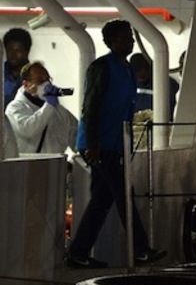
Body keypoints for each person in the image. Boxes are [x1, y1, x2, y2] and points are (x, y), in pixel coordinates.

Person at [65, 20, 166, 268]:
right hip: (99, 144)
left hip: (116, 143)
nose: (131, 40)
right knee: (124, 194)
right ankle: (141, 249)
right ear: (112, 41)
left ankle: (77, 254)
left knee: (102, 200)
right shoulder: (102, 67)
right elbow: (91, 106)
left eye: (131, 36)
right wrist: (93, 143)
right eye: (125, 37)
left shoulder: (127, 69)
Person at [5, 61, 77, 154]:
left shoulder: (61, 112)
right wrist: (49, 106)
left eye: (48, 79)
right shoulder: (14, 108)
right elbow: (28, 130)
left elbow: (77, 138)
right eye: (40, 80)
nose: (46, 84)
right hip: (25, 167)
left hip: (55, 166)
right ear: (26, 85)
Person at [129, 53, 180, 120]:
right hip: (136, 126)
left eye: (142, 68)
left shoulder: (167, 84)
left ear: (150, 67)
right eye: (136, 71)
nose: (139, 73)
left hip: (161, 126)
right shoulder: (129, 84)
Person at [3, 28, 32, 108]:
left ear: (27, 51)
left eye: (18, 50)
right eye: (10, 50)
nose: (13, 55)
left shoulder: (37, 76)